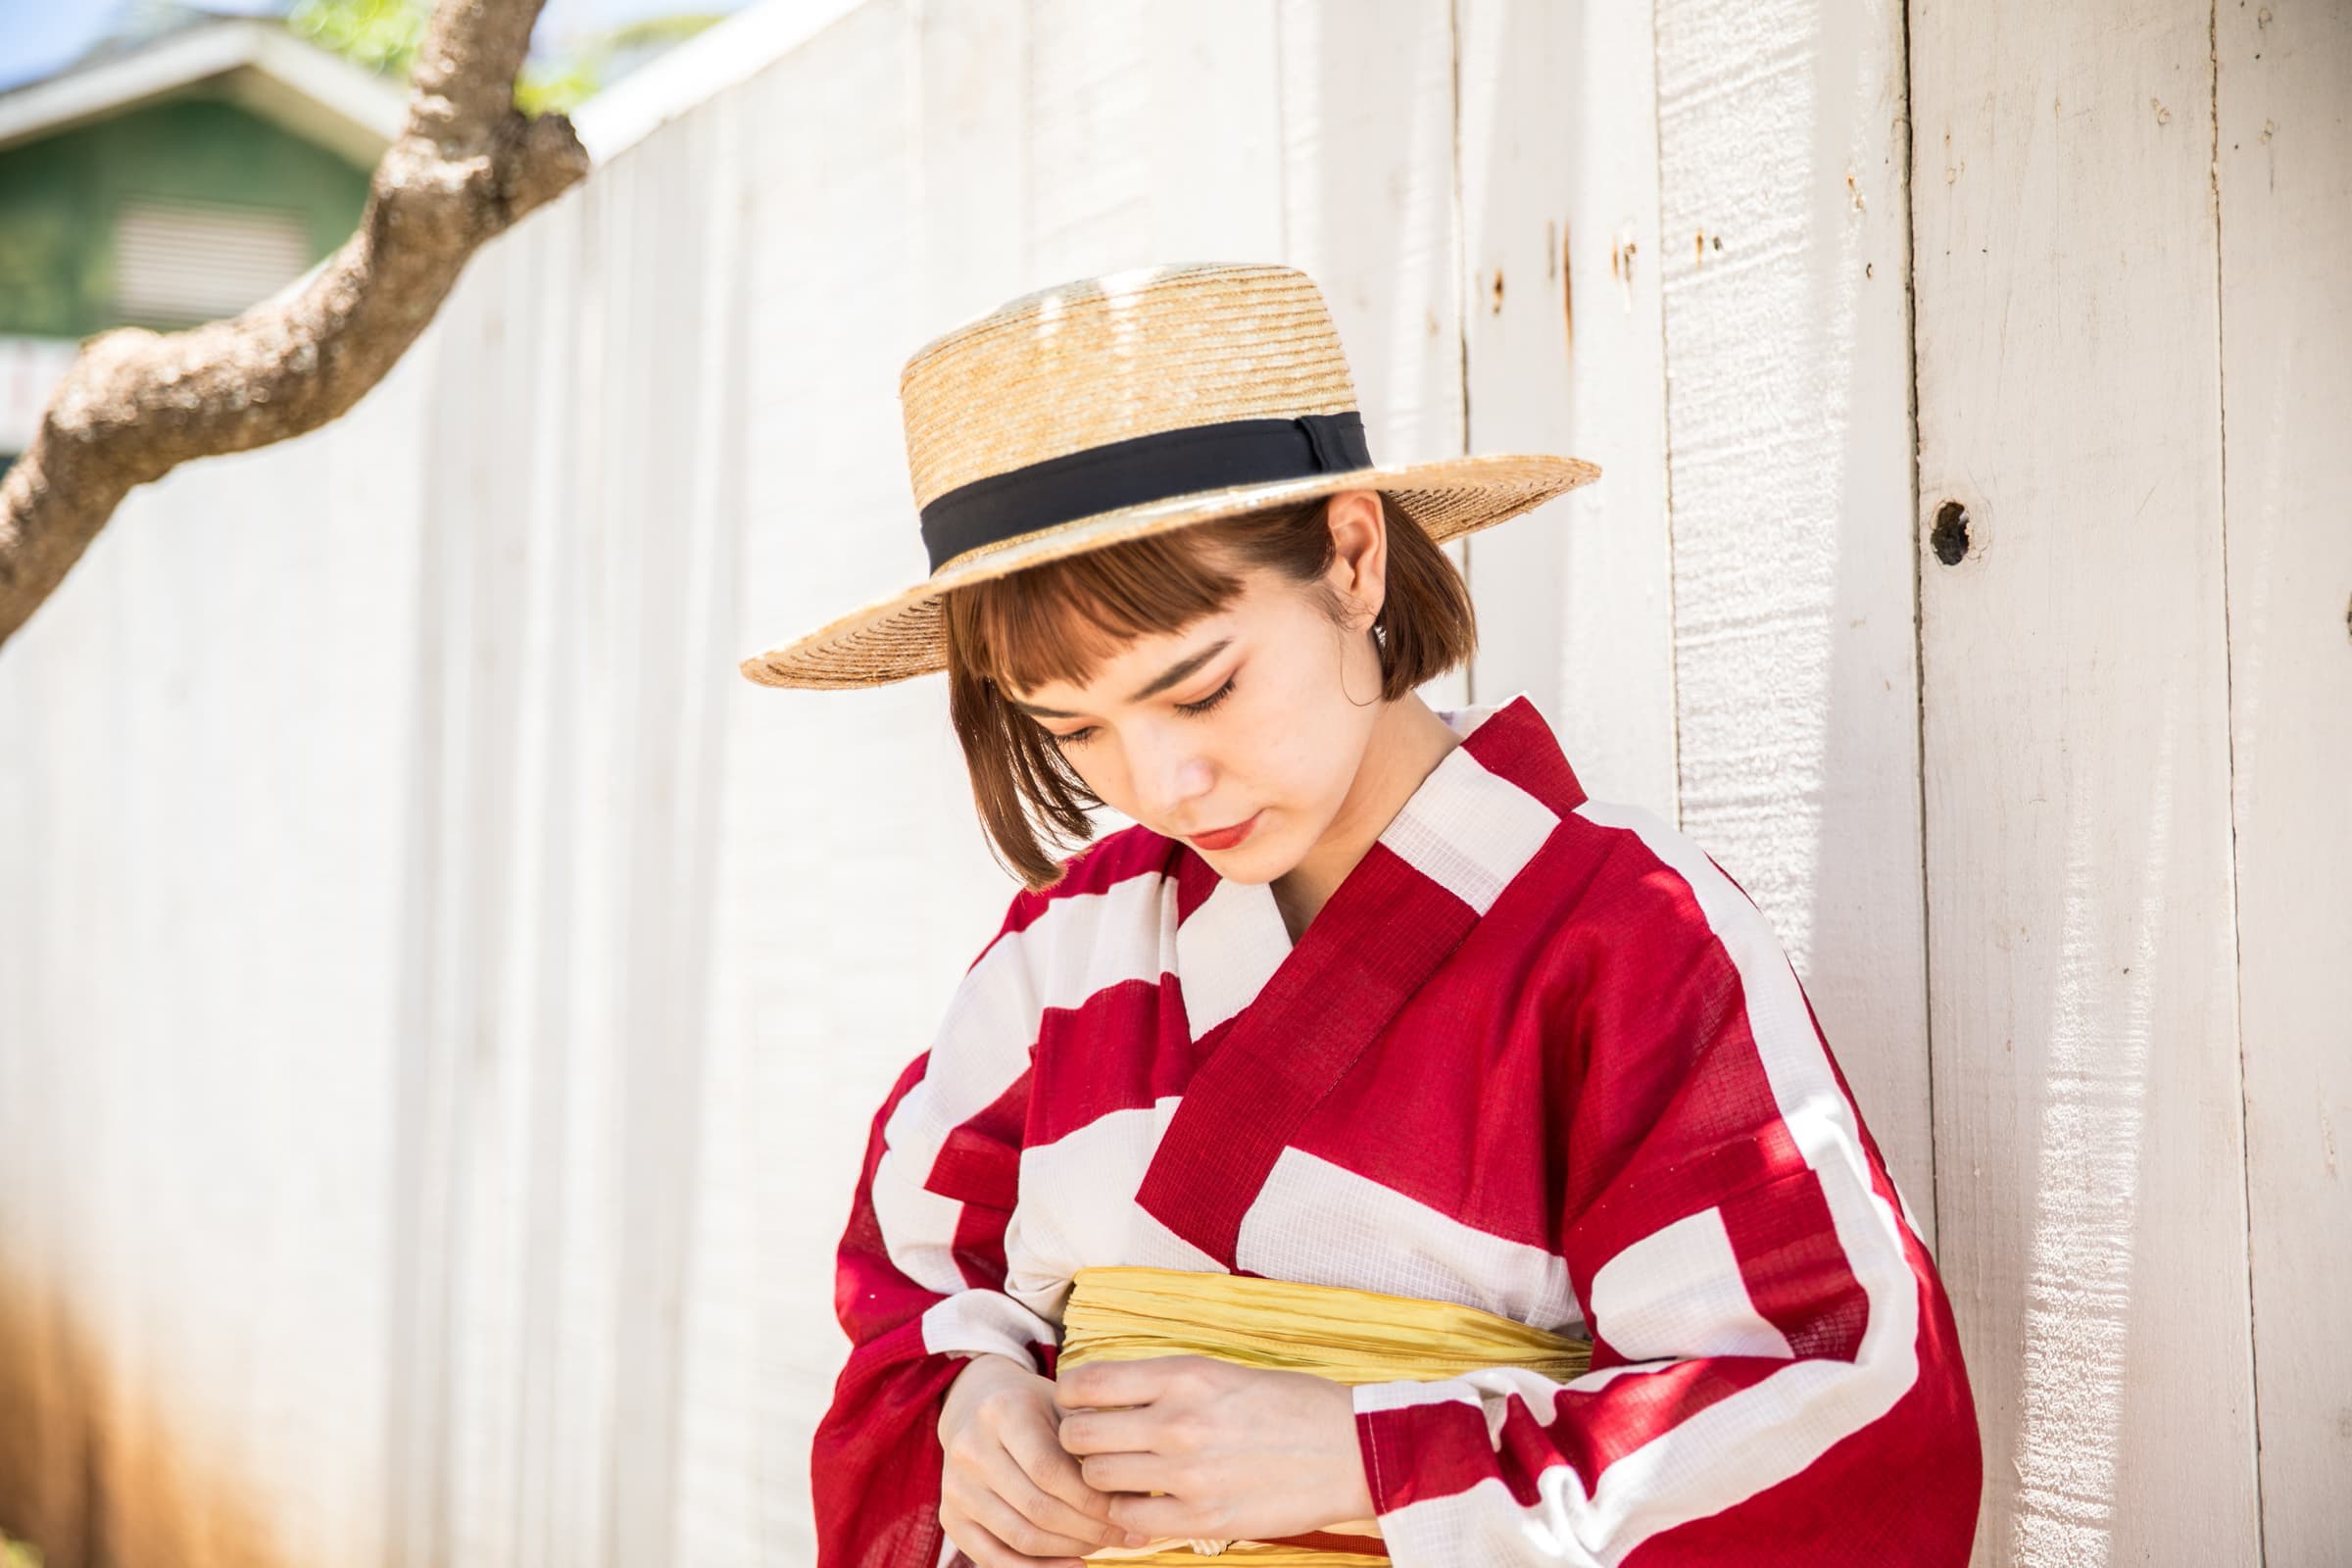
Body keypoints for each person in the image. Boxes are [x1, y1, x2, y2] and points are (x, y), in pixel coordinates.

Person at [739, 262, 1982, 1567]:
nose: (1161, 785)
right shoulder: (1061, 961)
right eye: (1074, 729)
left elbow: (1837, 1402)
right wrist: (969, 1407)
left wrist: (1366, 1457)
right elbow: (911, 1286)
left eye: (1203, 687)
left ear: (1350, 556)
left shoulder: (1622, 942)